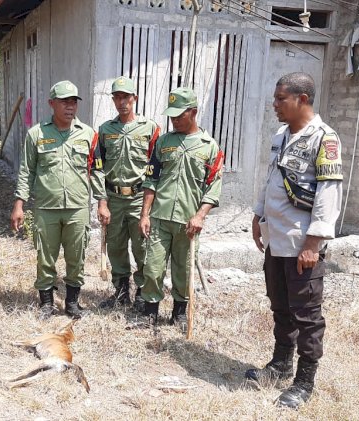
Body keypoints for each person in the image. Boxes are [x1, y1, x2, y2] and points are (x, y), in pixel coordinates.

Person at [247, 72, 343, 409]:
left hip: (302, 243)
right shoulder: (281, 135)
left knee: (307, 315)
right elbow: (272, 177)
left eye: (280, 99)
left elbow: (328, 195)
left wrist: (313, 244)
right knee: (280, 306)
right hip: (277, 238)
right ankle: (279, 365)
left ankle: (304, 381)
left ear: (301, 99)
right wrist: (259, 215)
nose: (274, 105)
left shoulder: (324, 139)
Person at [10, 80, 109, 320]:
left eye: (73, 101)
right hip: (46, 207)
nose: (70, 106)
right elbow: (26, 171)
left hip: (77, 207)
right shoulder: (37, 134)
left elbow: (96, 170)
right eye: (64, 101)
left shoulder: (88, 135)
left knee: (77, 256)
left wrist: (102, 201)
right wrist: (19, 204)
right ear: (51, 103)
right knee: (46, 256)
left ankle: (72, 303)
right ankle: (46, 303)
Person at [135, 87, 224, 330]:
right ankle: (150, 312)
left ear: (193, 112)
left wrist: (200, 215)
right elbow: (151, 180)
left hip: (188, 222)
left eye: (179, 115)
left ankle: (180, 312)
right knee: (152, 267)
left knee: (183, 270)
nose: (174, 120)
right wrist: (145, 214)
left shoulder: (209, 146)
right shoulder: (163, 143)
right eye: (171, 116)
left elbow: (213, 187)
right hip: (160, 217)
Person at [97, 76, 160, 312]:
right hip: (113, 199)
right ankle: (121, 292)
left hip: (137, 199)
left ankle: (143, 294)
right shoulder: (105, 130)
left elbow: (156, 170)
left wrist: (150, 206)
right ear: (113, 100)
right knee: (115, 247)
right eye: (117, 97)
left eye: (126, 97)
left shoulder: (150, 128)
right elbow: (97, 168)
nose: (122, 102)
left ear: (135, 98)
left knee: (142, 247)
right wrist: (101, 202)